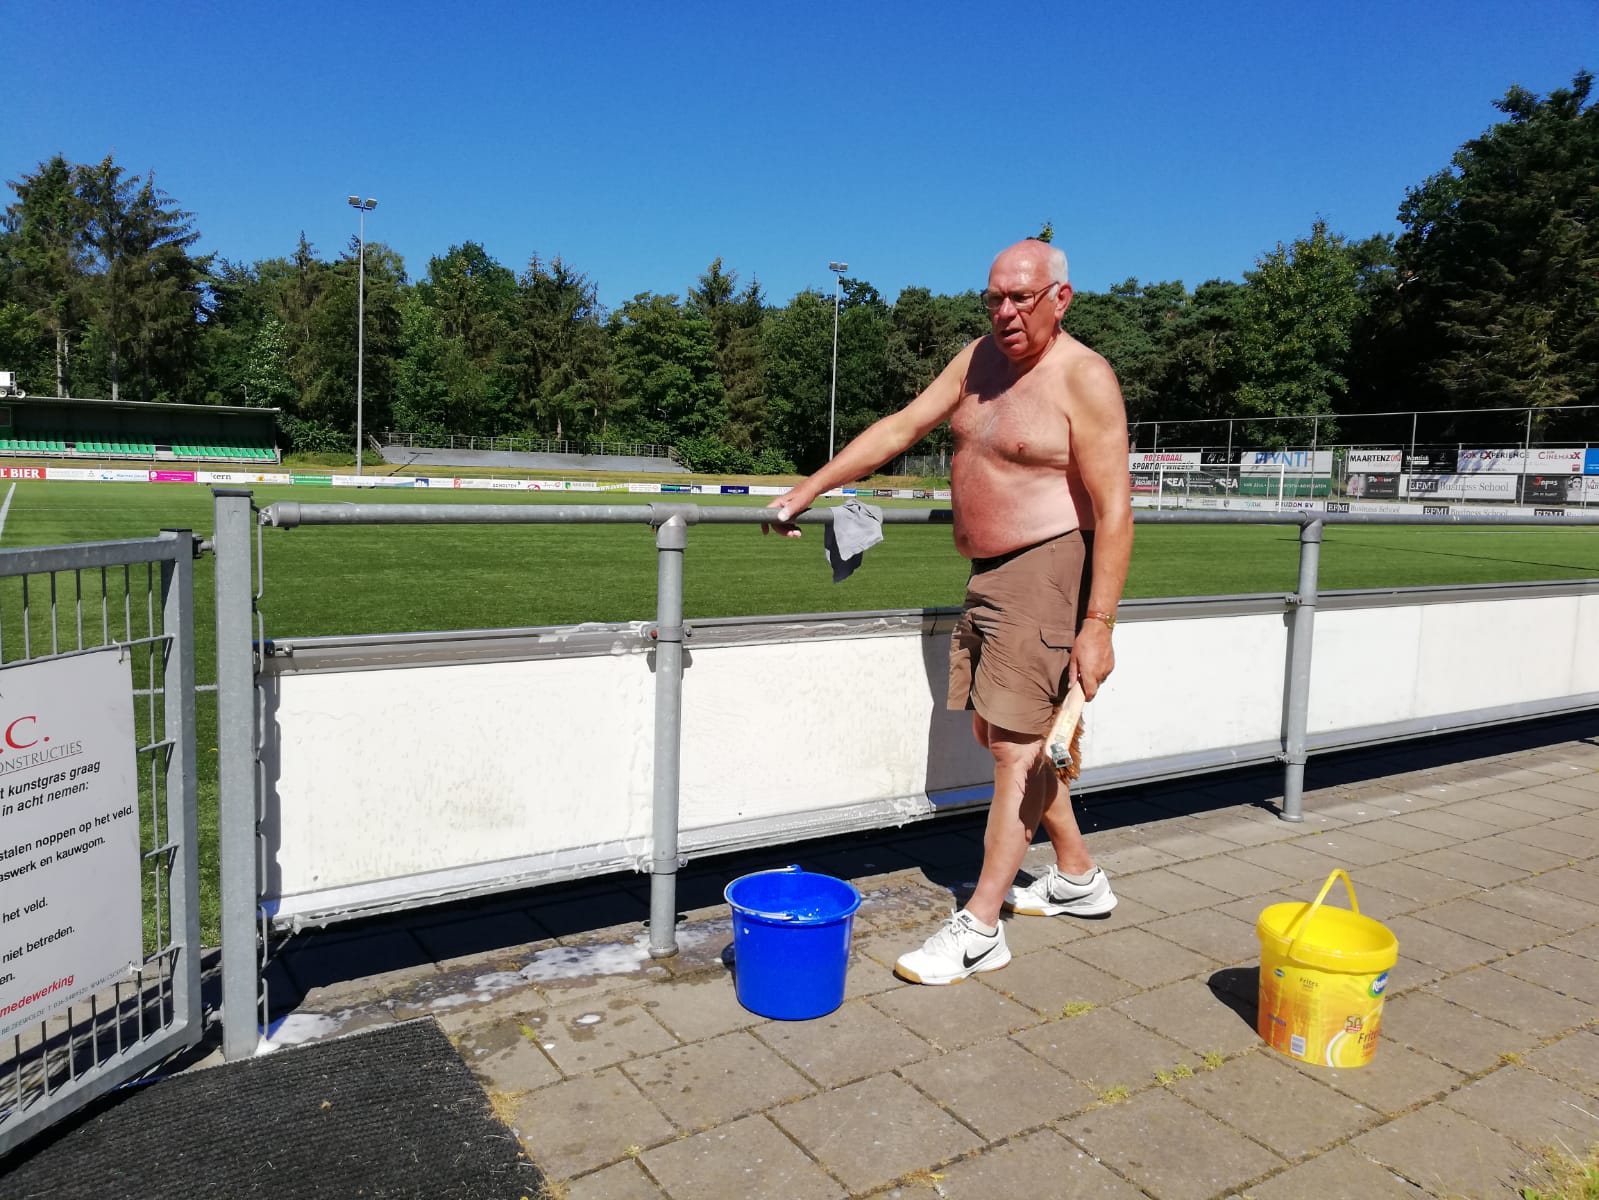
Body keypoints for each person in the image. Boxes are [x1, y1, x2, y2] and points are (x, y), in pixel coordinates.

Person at [763, 238, 1133, 985]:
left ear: (1060, 299)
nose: (1005, 313)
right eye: (994, 298)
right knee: (999, 734)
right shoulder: (976, 361)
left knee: (1015, 751)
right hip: (987, 574)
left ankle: (980, 927)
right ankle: (1077, 876)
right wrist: (810, 488)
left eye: (1020, 298)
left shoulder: (1084, 377)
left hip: (1047, 569)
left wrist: (1098, 626)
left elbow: (1116, 510)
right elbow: (902, 426)